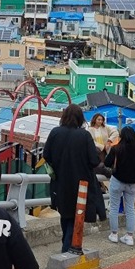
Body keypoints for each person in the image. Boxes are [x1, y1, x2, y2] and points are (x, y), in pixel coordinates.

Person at [43, 104, 102, 253]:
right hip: (81, 183)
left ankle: (67, 244)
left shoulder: (55, 132)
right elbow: (94, 160)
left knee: (65, 214)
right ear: (80, 118)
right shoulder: (84, 135)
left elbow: (46, 155)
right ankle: (69, 247)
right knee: (77, 215)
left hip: (60, 182)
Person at [104, 126, 135, 246]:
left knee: (114, 208)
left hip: (117, 181)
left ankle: (114, 234)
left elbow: (107, 163)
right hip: (132, 184)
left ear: (121, 136)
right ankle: (129, 236)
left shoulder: (116, 149)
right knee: (130, 209)